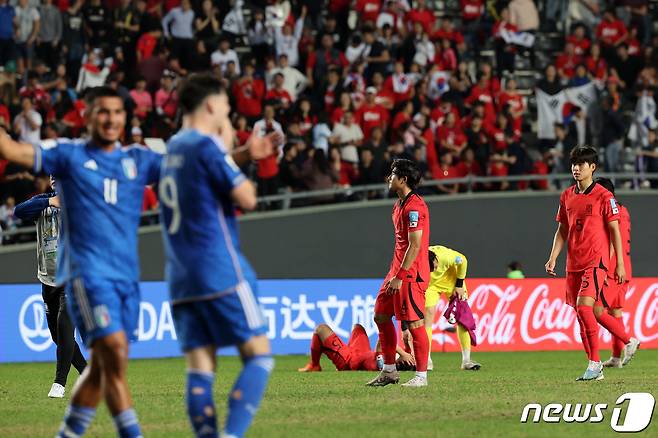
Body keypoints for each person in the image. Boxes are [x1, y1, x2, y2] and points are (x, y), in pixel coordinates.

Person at [0, 86, 163, 437]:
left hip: (116, 276)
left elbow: (181, 168)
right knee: (101, 352)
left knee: (106, 360)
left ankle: (70, 418)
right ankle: (69, 391)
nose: (111, 119)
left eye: (117, 112)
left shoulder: (135, 159)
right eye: (103, 112)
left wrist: (236, 156)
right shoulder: (65, 166)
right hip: (71, 277)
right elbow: (17, 180)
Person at [159, 73, 275, 438]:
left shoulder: (172, 148)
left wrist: (238, 153)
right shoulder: (207, 146)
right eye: (226, 105)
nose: (228, 111)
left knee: (200, 369)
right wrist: (229, 146)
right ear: (211, 105)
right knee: (259, 357)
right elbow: (248, 198)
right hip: (219, 269)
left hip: (180, 277)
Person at [545, 146, 632, 382]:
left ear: (592, 167)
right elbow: (562, 229)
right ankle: (595, 363)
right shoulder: (566, 196)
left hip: (597, 261)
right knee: (582, 314)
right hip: (573, 262)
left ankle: (595, 364)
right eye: (574, 163)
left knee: (586, 308)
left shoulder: (605, 197)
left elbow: (615, 231)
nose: (576, 168)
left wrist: (620, 264)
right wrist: (553, 256)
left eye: (581, 164)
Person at [14, 176, 87, 398]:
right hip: (48, 278)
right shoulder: (41, 203)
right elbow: (19, 211)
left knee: (65, 327)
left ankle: (59, 384)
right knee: (57, 336)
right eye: (53, 175)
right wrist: (50, 202)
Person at [366, 159, 431, 387]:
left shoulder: (415, 207)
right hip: (396, 272)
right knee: (380, 315)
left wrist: (400, 276)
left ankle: (421, 376)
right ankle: (390, 371)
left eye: (392, 174)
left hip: (410, 275)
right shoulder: (399, 205)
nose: (389, 178)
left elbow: (414, 245)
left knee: (414, 324)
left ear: (403, 179)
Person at [594, 178, 639, 368]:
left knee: (596, 310)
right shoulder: (624, 210)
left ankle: (629, 340)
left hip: (613, 268)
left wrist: (604, 269)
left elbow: (613, 239)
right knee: (615, 312)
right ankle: (615, 357)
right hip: (625, 267)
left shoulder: (610, 212)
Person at [424, 245, 481, 371]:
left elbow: (463, 260)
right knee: (427, 317)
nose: (435, 269)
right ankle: (426, 360)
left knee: (462, 317)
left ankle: (466, 360)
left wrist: (459, 284)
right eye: (431, 269)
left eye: (434, 265)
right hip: (432, 286)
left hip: (452, 280)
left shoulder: (446, 256)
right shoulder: (418, 261)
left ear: (436, 259)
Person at [297, 323, 415, 372]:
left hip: (349, 360)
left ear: (400, 362)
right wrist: (408, 350)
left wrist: (404, 354)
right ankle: (341, 348)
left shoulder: (384, 364)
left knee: (320, 329)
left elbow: (382, 340)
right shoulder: (392, 359)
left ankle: (314, 365)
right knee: (358, 327)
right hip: (362, 351)